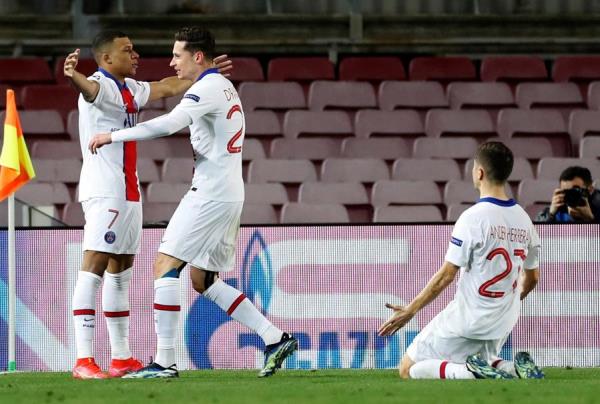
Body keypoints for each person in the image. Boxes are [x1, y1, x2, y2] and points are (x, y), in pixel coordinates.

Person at [88, 26, 297, 379]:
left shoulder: (208, 88)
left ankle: (165, 362)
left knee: (165, 265)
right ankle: (274, 338)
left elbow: (169, 124)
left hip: (210, 194)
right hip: (229, 192)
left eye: (177, 55)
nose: (172, 62)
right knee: (203, 280)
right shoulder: (222, 86)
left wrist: (113, 135)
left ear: (197, 57)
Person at [65, 29, 232, 379]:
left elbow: (168, 86)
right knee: (93, 265)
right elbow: (90, 92)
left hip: (128, 191)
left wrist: (206, 72)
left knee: (121, 272)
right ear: (107, 59)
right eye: (128, 50)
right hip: (104, 190)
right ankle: (83, 359)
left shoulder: (131, 89)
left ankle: (122, 357)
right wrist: (76, 76)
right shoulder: (99, 83)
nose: (136, 54)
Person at [378, 142, 544, 380]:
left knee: (408, 368)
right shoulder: (525, 220)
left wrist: (410, 310)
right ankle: (512, 369)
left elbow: (446, 275)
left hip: (468, 319)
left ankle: (469, 373)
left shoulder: (473, 218)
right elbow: (533, 278)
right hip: (503, 322)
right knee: (482, 360)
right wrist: (506, 303)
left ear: (479, 172)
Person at [536, 166, 600, 224]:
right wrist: (550, 215)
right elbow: (534, 234)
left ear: (590, 189)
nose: (570, 195)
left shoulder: (597, 207)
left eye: (575, 190)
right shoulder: (557, 209)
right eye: (566, 191)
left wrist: (591, 220)